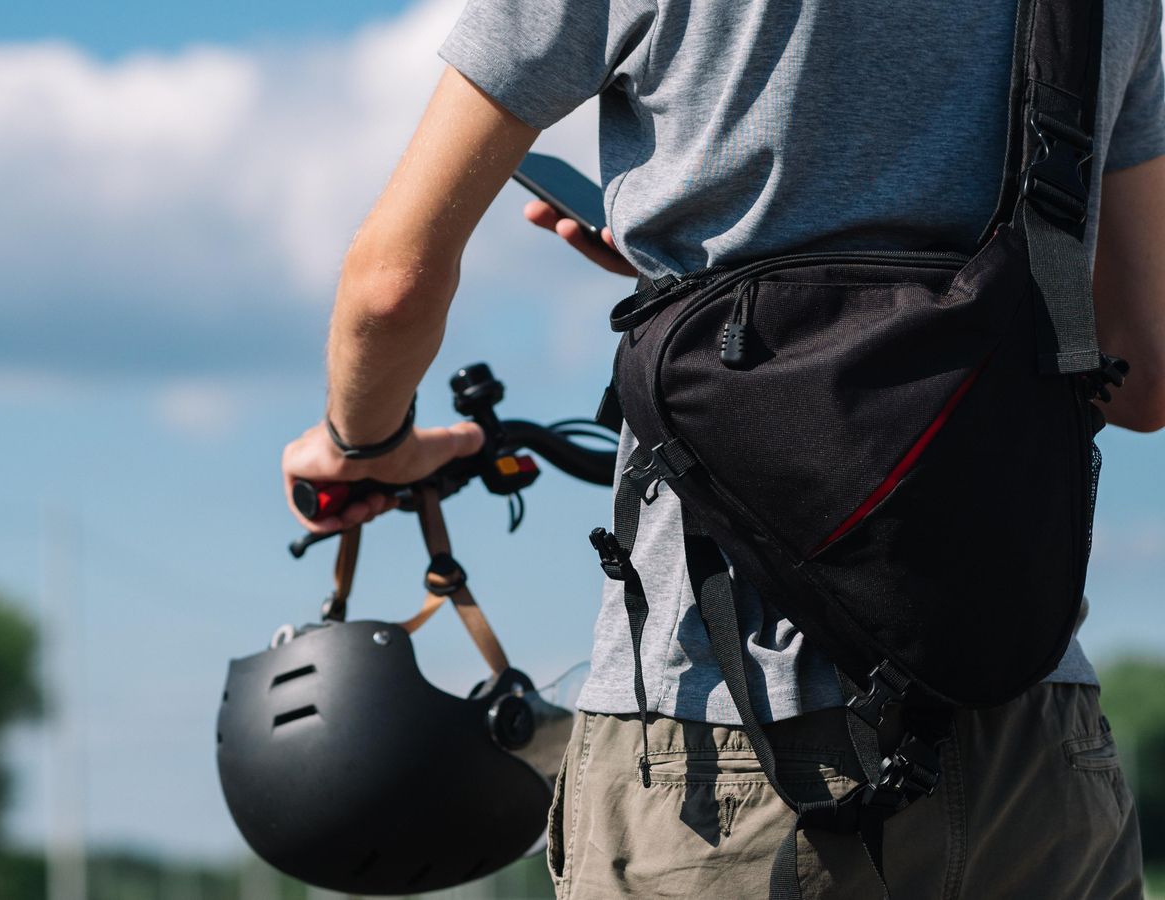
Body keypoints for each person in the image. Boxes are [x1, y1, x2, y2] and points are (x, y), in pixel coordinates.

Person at [281, 0, 1165, 896]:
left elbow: (391, 285)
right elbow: (1144, 376)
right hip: (1035, 741)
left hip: (720, 740)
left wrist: (364, 442)